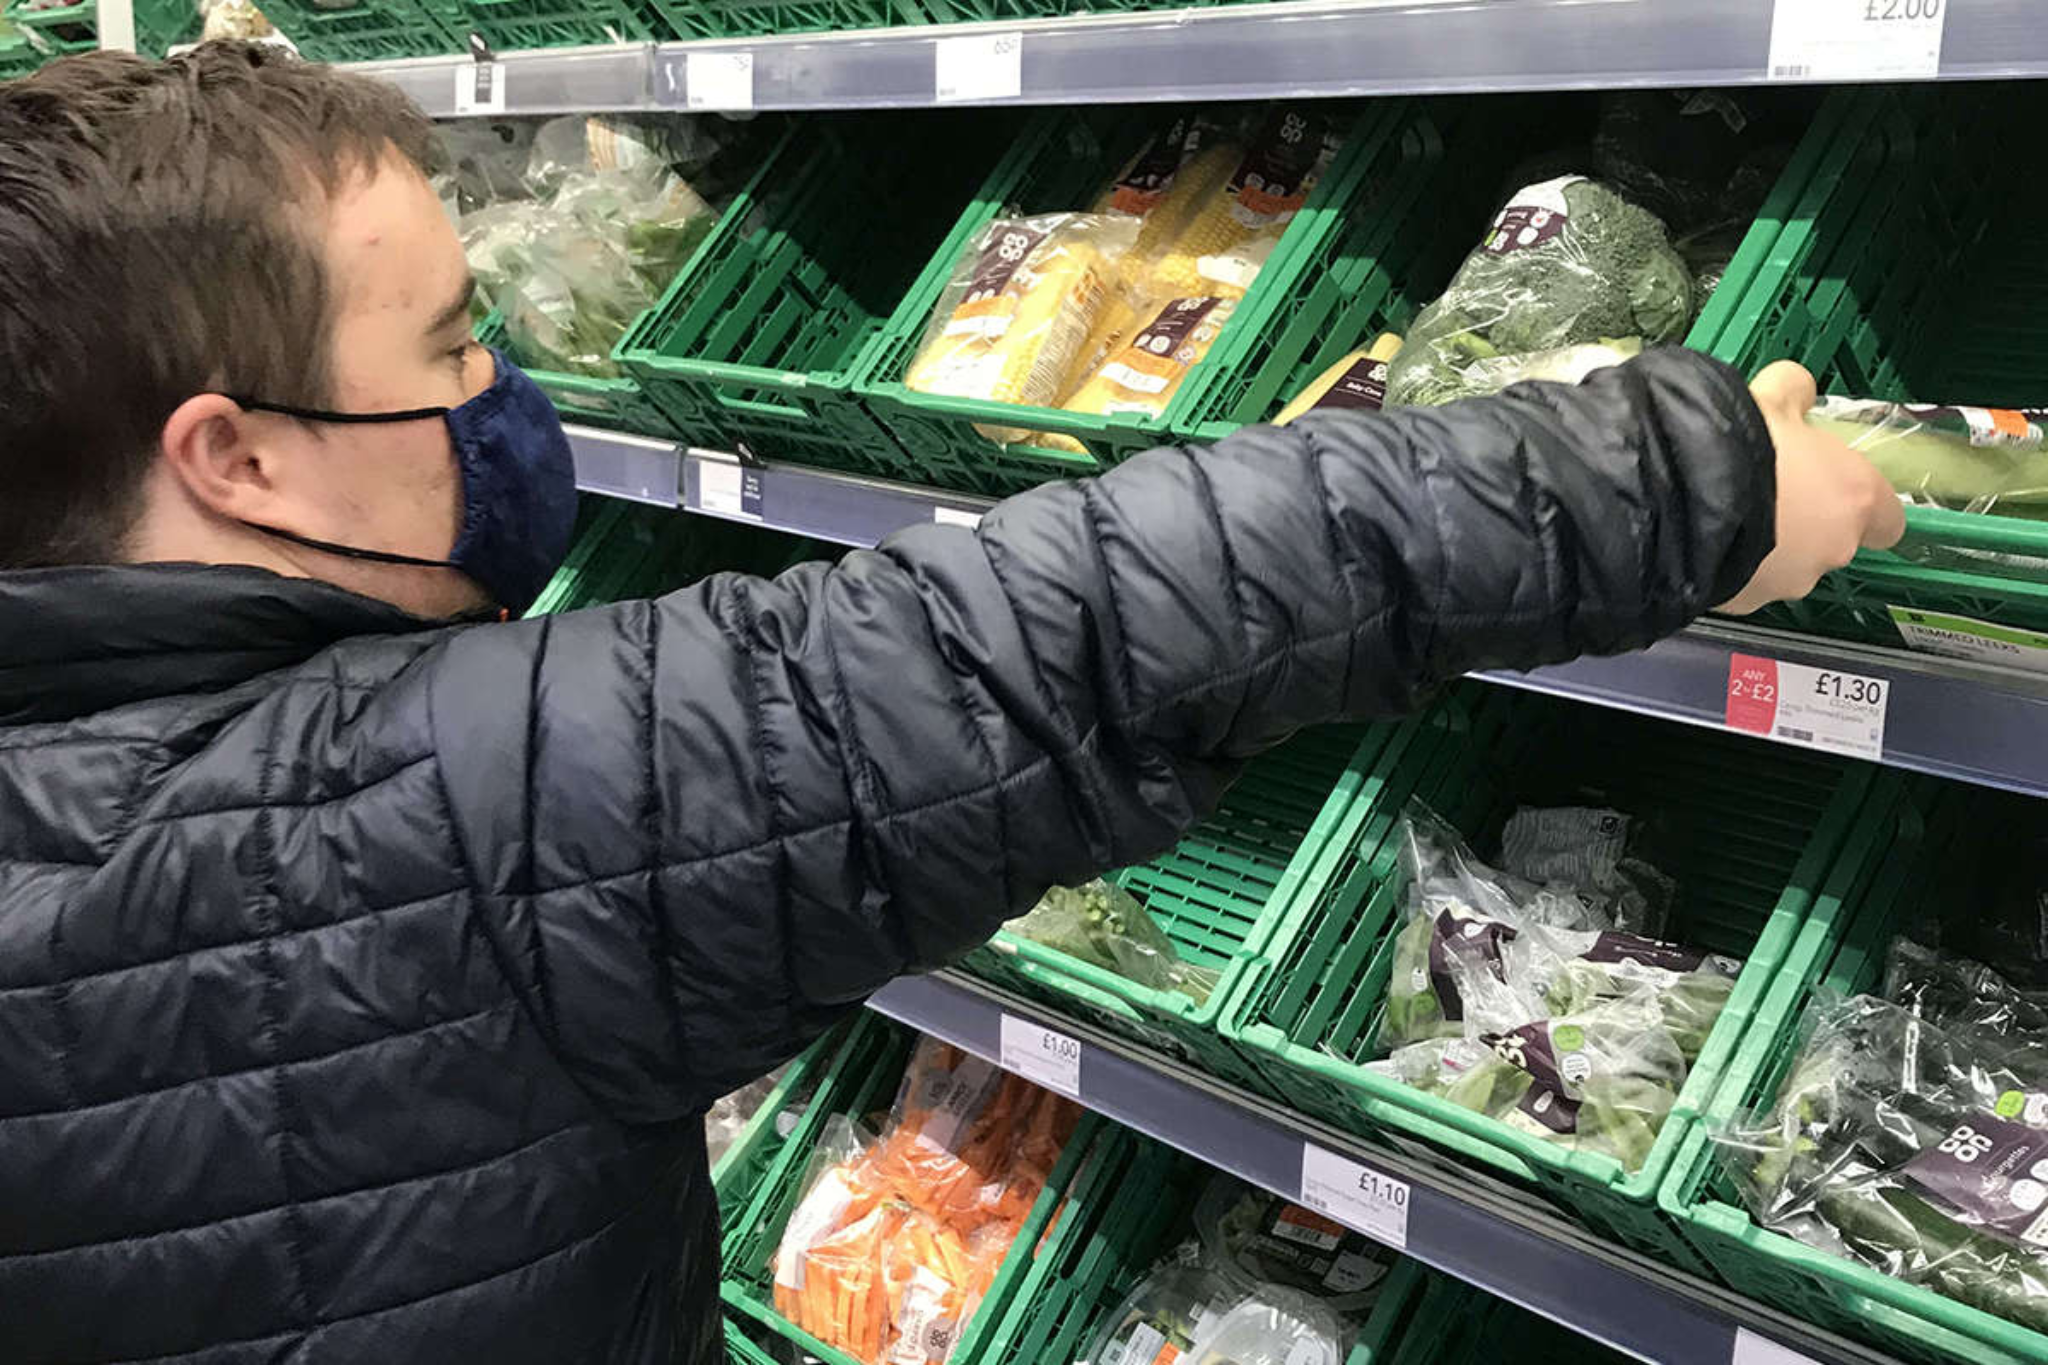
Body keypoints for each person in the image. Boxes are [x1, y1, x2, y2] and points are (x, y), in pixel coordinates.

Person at [0, 43, 1900, 1365]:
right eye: (443, 349)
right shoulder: (406, 820)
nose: (504, 392)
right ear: (234, 457)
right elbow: (1065, 631)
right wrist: (1693, 476)